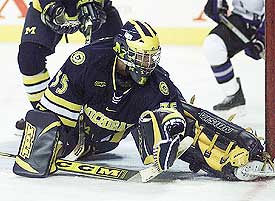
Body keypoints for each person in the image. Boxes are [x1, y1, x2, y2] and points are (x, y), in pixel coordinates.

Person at [13, 20, 274, 181]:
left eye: (151, 57)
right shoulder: (86, 63)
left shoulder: (155, 82)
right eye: (141, 57)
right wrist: (46, 140)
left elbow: (187, 117)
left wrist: (234, 146)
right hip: (79, 133)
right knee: (45, 127)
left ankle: (231, 159)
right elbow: (50, 110)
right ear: (122, 52)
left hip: (110, 141)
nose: (147, 65)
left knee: (173, 121)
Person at [16, 0, 123, 131]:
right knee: (29, 58)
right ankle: (44, 117)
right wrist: (48, 4)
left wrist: (94, 2)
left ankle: (108, 115)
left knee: (117, 59)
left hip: (94, 7)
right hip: (49, 6)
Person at [203, 0, 265, 111]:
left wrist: (263, 37)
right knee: (214, 45)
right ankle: (233, 93)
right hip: (241, 19)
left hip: (269, 21)